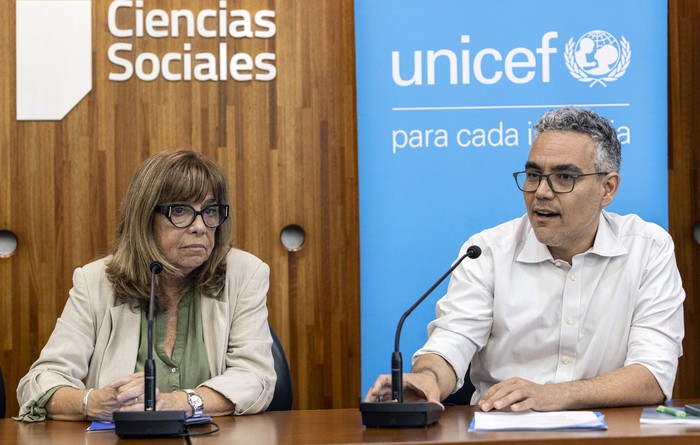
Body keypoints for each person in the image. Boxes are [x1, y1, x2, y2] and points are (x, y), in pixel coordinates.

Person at [364, 107, 685, 412]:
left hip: (609, 435)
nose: (542, 192)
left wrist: (555, 395)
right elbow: (453, 339)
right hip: (503, 429)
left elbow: (653, 373)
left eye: (564, 178)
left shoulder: (647, 248)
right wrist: (426, 379)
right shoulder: (486, 250)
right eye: (534, 175)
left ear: (608, 188)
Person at [16, 150, 276, 421]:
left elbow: (256, 378)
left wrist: (176, 402)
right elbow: (39, 382)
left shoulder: (245, 274)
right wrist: (90, 402)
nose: (200, 226)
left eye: (209, 211)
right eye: (180, 210)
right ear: (145, 218)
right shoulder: (95, 282)